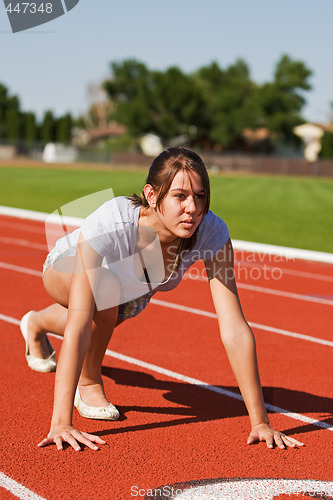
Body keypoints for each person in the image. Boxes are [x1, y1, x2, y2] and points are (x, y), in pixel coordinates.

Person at [20, 147, 304, 452]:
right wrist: (61, 423)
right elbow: (77, 323)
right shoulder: (112, 221)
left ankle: (35, 322)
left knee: (106, 309)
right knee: (99, 304)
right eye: (180, 196)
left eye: (199, 196)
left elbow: (234, 327)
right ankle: (88, 383)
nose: (192, 208)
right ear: (152, 196)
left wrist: (260, 422)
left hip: (132, 287)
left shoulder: (211, 231)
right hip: (66, 265)